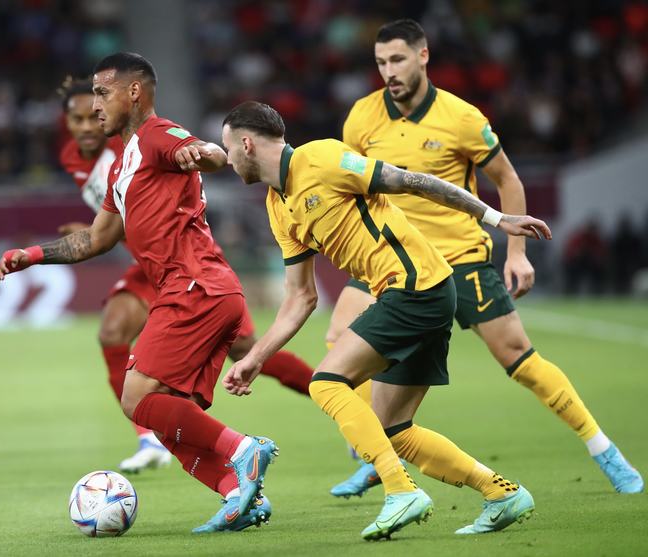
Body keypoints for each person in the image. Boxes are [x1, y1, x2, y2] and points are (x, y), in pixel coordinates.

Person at [327, 18, 643, 497]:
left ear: (423, 56)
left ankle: (603, 448)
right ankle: (380, 454)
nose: (388, 71)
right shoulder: (361, 117)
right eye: (380, 62)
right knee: (339, 342)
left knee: (518, 357)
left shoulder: (461, 118)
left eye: (397, 60)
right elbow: (351, 185)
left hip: (459, 259)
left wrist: (517, 254)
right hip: (393, 261)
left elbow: (508, 179)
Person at [220, 100, 551, 539]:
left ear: (247, 144)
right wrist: (256, 357)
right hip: (420, 292)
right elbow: (301, 297)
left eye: (228, 148)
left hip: (414, 287)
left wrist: (495, 217)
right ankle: (502, 493)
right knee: (394, 429)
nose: (226, 159)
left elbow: (413, 181)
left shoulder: (321, 158)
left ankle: (400, 490)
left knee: (326, 383)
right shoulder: (278, 206)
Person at [0, 53, 278, 533]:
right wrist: (32, 255)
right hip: (204, 290)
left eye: (102, 93)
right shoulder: (122, 166)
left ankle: (243, 450)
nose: (95, 105)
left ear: (133, 93)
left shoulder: (156, 136)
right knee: (166, 417)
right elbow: (96, 239)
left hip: (193, 287)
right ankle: (238, 494)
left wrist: (198, 153)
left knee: (137, 400)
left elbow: (211, 153)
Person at [57, 76, 314, 475]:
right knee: (115, 336)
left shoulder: (133, 140)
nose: (88, 123)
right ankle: (165, 448)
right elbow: (123, 220)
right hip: (155, 268)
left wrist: (203, 154)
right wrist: (92, 234)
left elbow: (193, 159)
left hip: (189, 269)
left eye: (95, 111)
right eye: (77, 119)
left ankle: (332, 395)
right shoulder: (74, 159)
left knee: (243, 351)